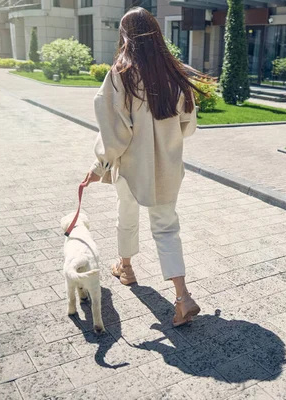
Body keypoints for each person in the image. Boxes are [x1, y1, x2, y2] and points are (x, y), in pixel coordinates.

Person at [82, 7, 206, 327]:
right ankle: (182, 297)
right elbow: (188, 126)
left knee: (127, 215)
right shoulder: (176, 74)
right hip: (167, 168)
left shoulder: (121, 74)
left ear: (126, 36)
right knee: (167, 228)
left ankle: (126, 267)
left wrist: (99, 165)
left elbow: (115, 133)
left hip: (132, 168)